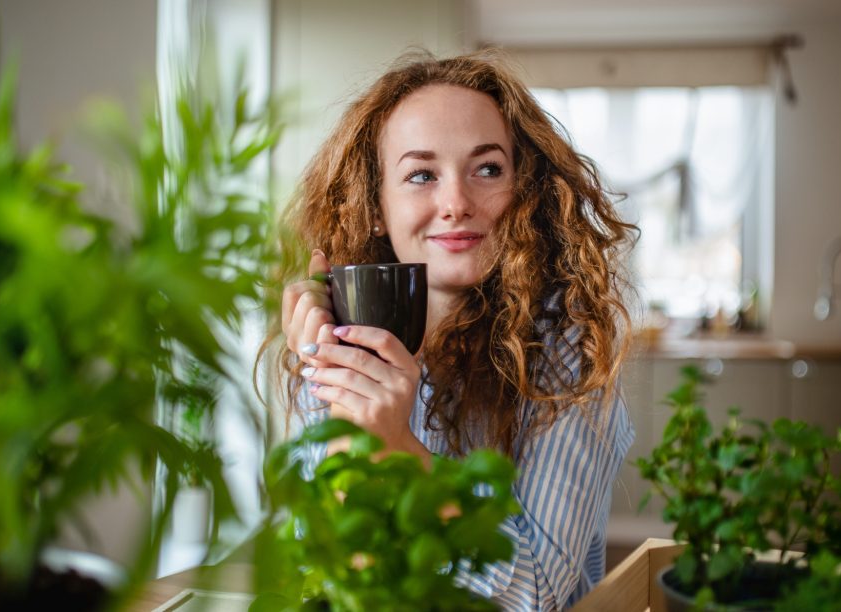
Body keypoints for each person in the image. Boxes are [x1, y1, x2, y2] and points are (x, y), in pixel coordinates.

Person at [270, 49, 638, 610]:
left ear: (524, 192)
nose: (456, 203)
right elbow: (323, 567)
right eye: (421, 175)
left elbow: (534, 595)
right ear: (376, 207)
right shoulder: (339, 334)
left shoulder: (568, 350)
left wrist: (397, 447)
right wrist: (331, 381)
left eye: (487, 168)